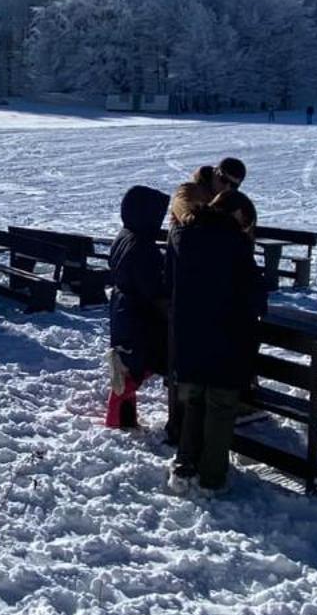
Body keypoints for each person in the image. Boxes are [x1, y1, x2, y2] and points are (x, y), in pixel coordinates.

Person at [166, 186, 262, 491]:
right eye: (247, 222)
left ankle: (184, 465)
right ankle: (212, 478)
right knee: (220, 407)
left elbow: (169, 282)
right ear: (237, 214)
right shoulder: (236, 243)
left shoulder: (181, 234)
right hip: (227, 339)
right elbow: (254, 298)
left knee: (194, 402)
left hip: (189, 337)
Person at [105, 185, 169, 431]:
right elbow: (152, 287)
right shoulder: (142, 245)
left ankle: (122, 417)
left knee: (128, 363)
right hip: (138, 313)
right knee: (135, 368)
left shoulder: (126, 234)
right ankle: (118, 419)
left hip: (123, 308)